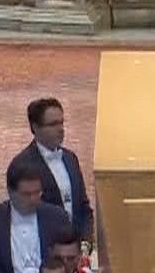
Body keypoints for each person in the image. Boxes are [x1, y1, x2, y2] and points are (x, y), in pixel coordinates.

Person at [10, 97, 93, 239]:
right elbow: (24, 216)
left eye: (61, 123)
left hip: (75, 247)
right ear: (35, 128)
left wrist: (86, 240)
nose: (60, 129)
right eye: (53, 124)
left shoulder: (70, 158)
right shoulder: (22, 165)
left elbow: (83, 206)